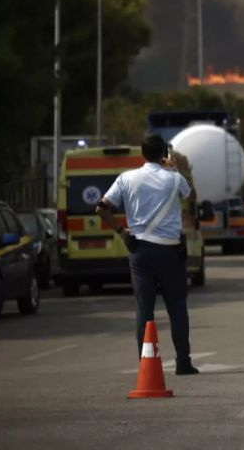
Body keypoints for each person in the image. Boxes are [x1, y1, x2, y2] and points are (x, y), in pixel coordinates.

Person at [95, 134, 199, 375]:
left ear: (142, 153)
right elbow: (191, 196)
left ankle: (146, 366)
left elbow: (101, 208)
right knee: (177, 307)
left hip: (140, 250)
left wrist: (122, 232)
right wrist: (174, 167)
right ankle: (183, 362)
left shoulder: (126, 178)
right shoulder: (174, 179)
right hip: (170, 251)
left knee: (144, 310)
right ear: (164, 153)